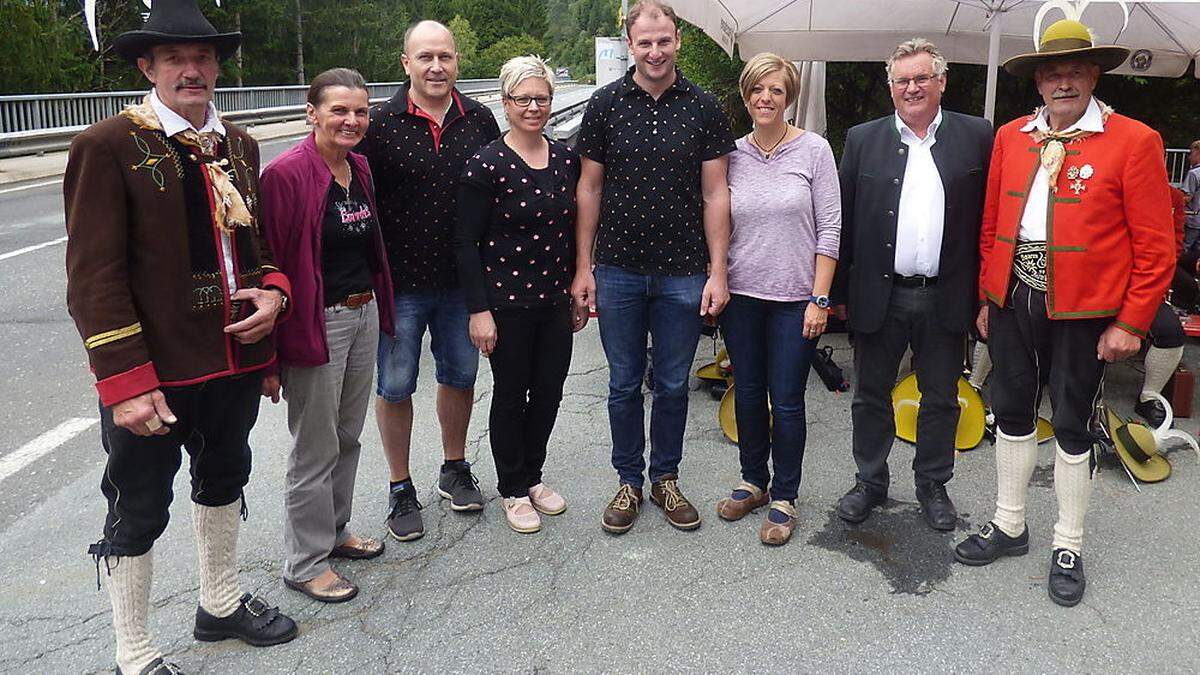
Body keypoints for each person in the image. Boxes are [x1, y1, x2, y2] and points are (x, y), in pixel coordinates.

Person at [63, 1, 298, 672]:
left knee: (224, 476)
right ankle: (132, 651)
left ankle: (218, 604)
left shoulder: (240, 145)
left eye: (201, 58)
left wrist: (275, 294)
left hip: (233, 355)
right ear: (148, 66)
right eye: (174, 59)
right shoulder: (107, 146)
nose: (190, 70)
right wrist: (127, 383)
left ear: (217, 65)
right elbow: (92, 279)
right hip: (156, 372)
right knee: (138, 506)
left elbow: (260, 246)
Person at [956, 17, 1174, 607]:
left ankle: (1068, 542)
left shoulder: (1135, 140)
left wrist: (1131, 323)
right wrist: (987, 295)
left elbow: (1157, 247)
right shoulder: (1011, 136)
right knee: (1010, 410)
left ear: (1094, 75)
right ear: (1038, 82)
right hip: (1012, 299)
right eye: (1052, 73)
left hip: (1087, 309)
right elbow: (991, 226)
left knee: (1073, 422)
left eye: (1074, 71)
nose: (1063, 82)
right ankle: (1009, 524)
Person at [571, 0, 736, 534]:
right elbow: (589, 189)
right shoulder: (603, 106)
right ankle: (629, 481)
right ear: (630, 45)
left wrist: (718, 271)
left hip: (684, 272)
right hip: (617, 270)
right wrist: (584, 267)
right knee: (622, 384)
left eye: (663, 40)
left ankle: (665, 477)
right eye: (645, 42)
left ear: (678, 40)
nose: (655, 51)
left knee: (670, 383)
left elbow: (716, 195)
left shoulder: (705, 108)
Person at [831, 38, 994, 530]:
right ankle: (870, 481)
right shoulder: (863, 139)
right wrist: (837, 294)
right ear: (891, 88)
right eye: (902, 80)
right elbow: (844, 220)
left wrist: (987, 295)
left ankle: (932, 485)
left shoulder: (978, 136)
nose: (912, 87)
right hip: (880, 293)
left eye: (922, 78)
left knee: (941, 396)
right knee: (870, 394)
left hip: (948, 293)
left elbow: (992, 220)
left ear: (942, 82)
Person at [357, 20, 501, 542]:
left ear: (457, 60)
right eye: (425, 57)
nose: (436, 66)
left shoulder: (481, 120)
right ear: (406, 64)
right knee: (394, 385)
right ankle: (400, 485)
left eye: (444, 56)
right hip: (400, 284)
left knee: (460, 377)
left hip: (464, 283)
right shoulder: (379, 125)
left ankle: (454, 466)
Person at [259, 68, 395, 602]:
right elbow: (268, 263)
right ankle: (304, 561)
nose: (351, 120)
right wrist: (269, 356)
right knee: (313, 447)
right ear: (311, 112)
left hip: (362, 314)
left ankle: (334, 532)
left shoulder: (358, 167)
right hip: (317, 320)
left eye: (360, 112)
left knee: (347, 435)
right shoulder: (287, 175)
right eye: (339, 110)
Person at [454, 55, 587, 534]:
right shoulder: (486, 164)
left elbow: (576, 229)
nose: (533, 107)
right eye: (523, 99)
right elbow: (465, 243)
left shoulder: (566, 159)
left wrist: (579, 285)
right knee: (511, 394)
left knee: (549, 392)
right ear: (506, 103)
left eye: (541, 98)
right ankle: (511, 487)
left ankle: (533, 475)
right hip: (505, 304)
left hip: (554, 300)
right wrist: (478, 311)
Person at [714, 53, 840, 546]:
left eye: (776, 91)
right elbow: (717, 223)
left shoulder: (814, 150)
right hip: (742, 295)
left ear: (790, 98)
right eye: (757, 91)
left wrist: (820, 298)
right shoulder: (731, 155)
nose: (766, 99)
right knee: (746, 393)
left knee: (786, 402)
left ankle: (785, 494)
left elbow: (830, 227)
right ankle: (753, 480)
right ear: (746, 96)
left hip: (795, 300)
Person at [1182, 141, 1200, 251]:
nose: (1189, 157)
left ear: (1198, 153)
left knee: (1183, 251)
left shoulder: (1194, 173)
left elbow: (1186, 197)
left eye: (1191, 153)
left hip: (1193, 220)